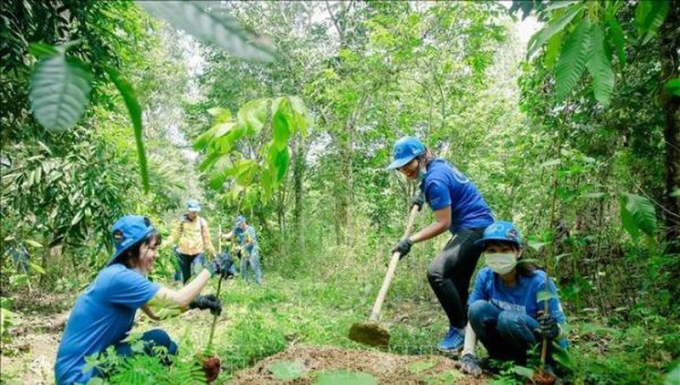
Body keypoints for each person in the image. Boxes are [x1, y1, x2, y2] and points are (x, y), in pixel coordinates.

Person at [54, 215, 230, 384]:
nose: (156, 255)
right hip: (79, 375)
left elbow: (156, 314)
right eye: (152, 248)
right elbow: (179, 299)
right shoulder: (119, 277)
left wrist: (195, 303)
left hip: (91, 366)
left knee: (169, 349)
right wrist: (213, 267)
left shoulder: (124, 275)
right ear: (132, 250)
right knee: (158, 340)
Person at [387, 136, 494, 351]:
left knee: (437, 273)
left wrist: (410, 241)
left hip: (474, 228)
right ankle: (469, 337)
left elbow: (443, 223)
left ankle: (459, 329)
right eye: (400, 167)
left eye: (409, 163)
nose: (405, 170)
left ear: (421, 157)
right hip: (480, 224)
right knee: (457, 281)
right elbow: (430, 179)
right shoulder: (437, 166)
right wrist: (420, 195)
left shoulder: (435, 181)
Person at [458, 221, 568, 377]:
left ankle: (536, 367)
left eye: (505, 250)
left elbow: (562, 327)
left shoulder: (539, 281)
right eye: (492, 250)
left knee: (508, 318)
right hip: (507, 345)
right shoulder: (485, 276)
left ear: (518, 252)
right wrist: (467, 353)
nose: (499, 255)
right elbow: (473, 316)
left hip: (537, 349)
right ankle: (502, 361)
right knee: (477, 308)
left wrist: (555, 332)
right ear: (485, 254)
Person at [166, 200, 216, 284]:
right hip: (183, 252)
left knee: (197, 271)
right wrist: (165, 244)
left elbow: (207, 239)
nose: (194, 214)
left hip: (198, 252)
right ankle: (187, 293)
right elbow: (174, 235)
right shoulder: (181, 222)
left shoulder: (202, 222)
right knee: (186, 277)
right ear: (188, 210)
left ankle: (197, 292)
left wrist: (212, 252)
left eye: (196, 212)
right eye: (192, 212)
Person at [224, 216, 262, 285]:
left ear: (243, 222)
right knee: (243, 267)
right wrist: (222, 235)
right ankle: (245, 283)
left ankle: (258, 283)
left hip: (253, 249)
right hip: (244, 250)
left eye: (240, 224)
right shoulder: (238, 229)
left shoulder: (250, 229)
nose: (239, 225)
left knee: (254, 265)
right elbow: (230, 235)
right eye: (238, 224)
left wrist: (241, 247)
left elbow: (251, 242)